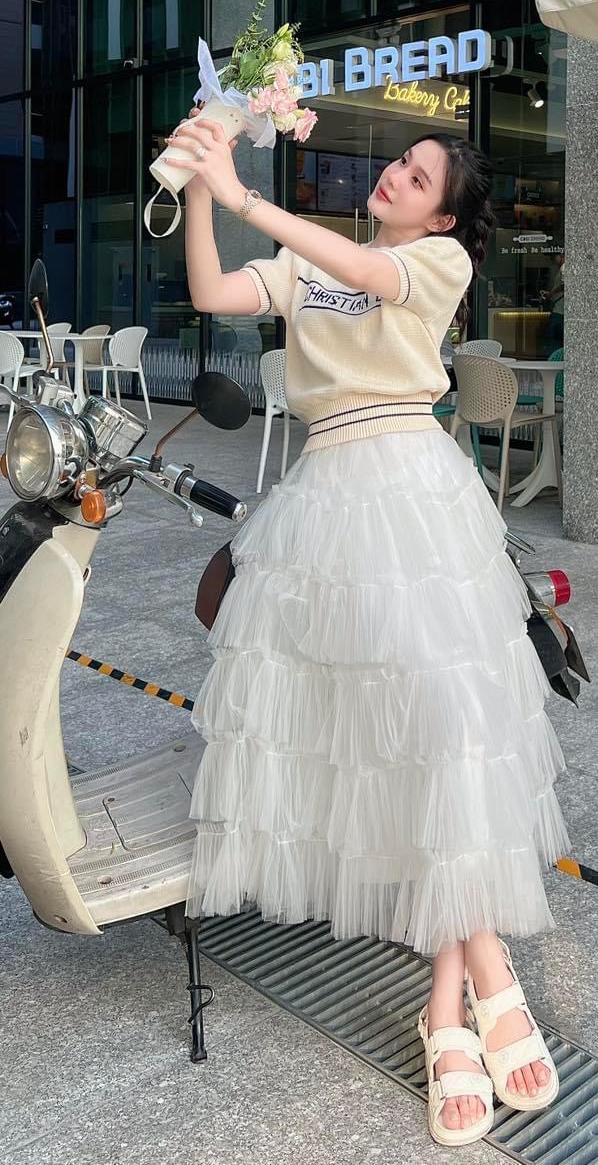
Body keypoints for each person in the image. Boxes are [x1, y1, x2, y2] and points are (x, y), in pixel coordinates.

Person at [165, 111, 572, 1148]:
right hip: (327, 499)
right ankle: (484, 974)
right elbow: (211, 293)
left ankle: (448, 1006)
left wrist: (249, 194)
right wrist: (202, 183)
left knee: (446, 729)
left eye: (418, 175)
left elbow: (366, 272)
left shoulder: (436, 264)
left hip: (413, 495)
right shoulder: (313, 264)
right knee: (394, 747)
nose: (396, 174)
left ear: (442, 216)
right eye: (399, 162)